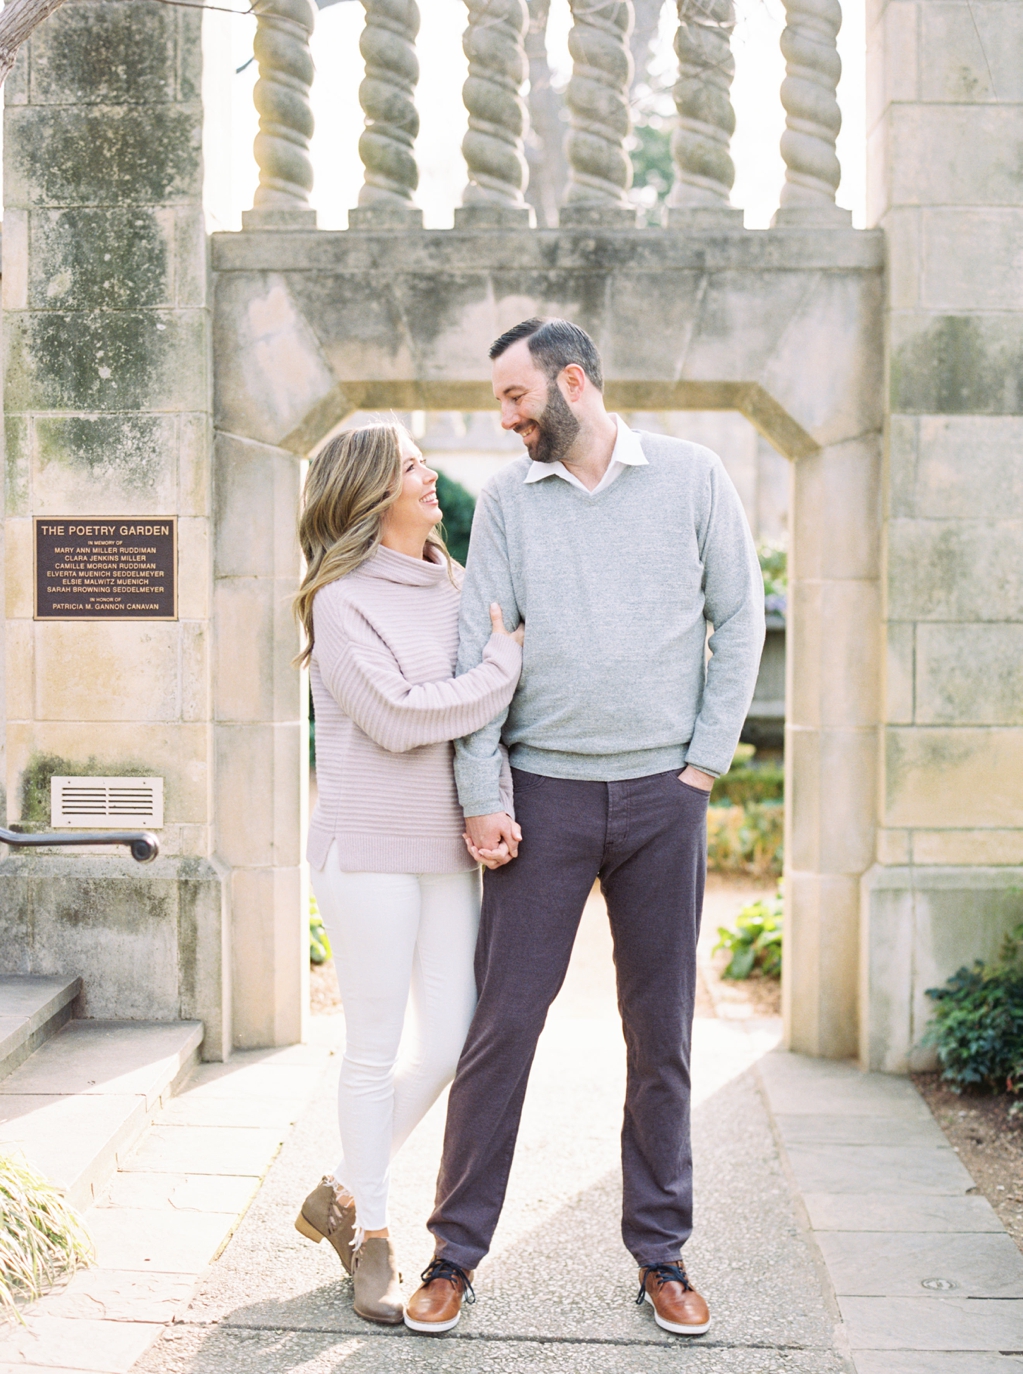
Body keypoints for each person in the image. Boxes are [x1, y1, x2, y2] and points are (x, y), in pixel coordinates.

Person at [403, 319, 765, 1338]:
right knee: (502, 1027)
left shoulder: (693, 477)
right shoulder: (514, 501)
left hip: (663, 798)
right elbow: (486, 645)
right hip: (542, 797)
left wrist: (705, 760)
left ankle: (662, 1255)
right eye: (498, 404)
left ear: (572, 382)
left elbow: (739, 618)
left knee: (661, 1037)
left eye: (516, 398)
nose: (505, 418)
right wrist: (483, 793)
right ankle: (453, 1255)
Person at [291, 422, 523, 1326]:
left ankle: (342, 1188)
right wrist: (504, 664)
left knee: (455, 1041)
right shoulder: (341, 602)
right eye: (412, 466)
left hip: (443, 849)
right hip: (368, 852)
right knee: (375, 1047)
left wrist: (492, 799)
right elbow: (393, 718)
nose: (431, 476)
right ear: (369, 491)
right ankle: (374, 1238)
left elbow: (473, 724)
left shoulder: (460, 587)